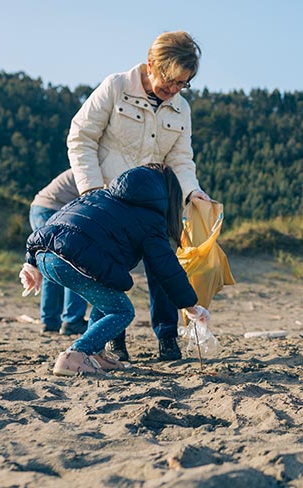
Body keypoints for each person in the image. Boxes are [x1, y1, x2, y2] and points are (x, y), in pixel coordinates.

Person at [67, 31, 211, 361]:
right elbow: (81, 138)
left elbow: (180, 158)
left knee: (164, 265)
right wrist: (91, 190)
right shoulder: (115, 87)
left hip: (156, 203)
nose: (174, 90)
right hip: (110, 203)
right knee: (110, 271)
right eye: (169, 81)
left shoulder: (181, 108)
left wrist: (192, 191)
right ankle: (115, 341)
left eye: (182, 84)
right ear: (151, 65)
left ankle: (167, 337)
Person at [19, 165, 209, 376]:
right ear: (168, 195)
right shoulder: (150, 218)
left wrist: (31, 262)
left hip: (45, 253)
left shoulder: (101, 194)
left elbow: (59, 219)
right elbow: (166, 268)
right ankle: (76, 354)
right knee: (122, 310)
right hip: (73, 260)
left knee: (108, 296)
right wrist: (190, 306)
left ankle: (96, 354)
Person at [28, 169, 90, 336]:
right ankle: (72, 320)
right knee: (74, 264)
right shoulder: (94, 169)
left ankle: (50, 322)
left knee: (52, 266)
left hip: (42, 207)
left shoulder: (89, 163)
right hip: (52, 209)